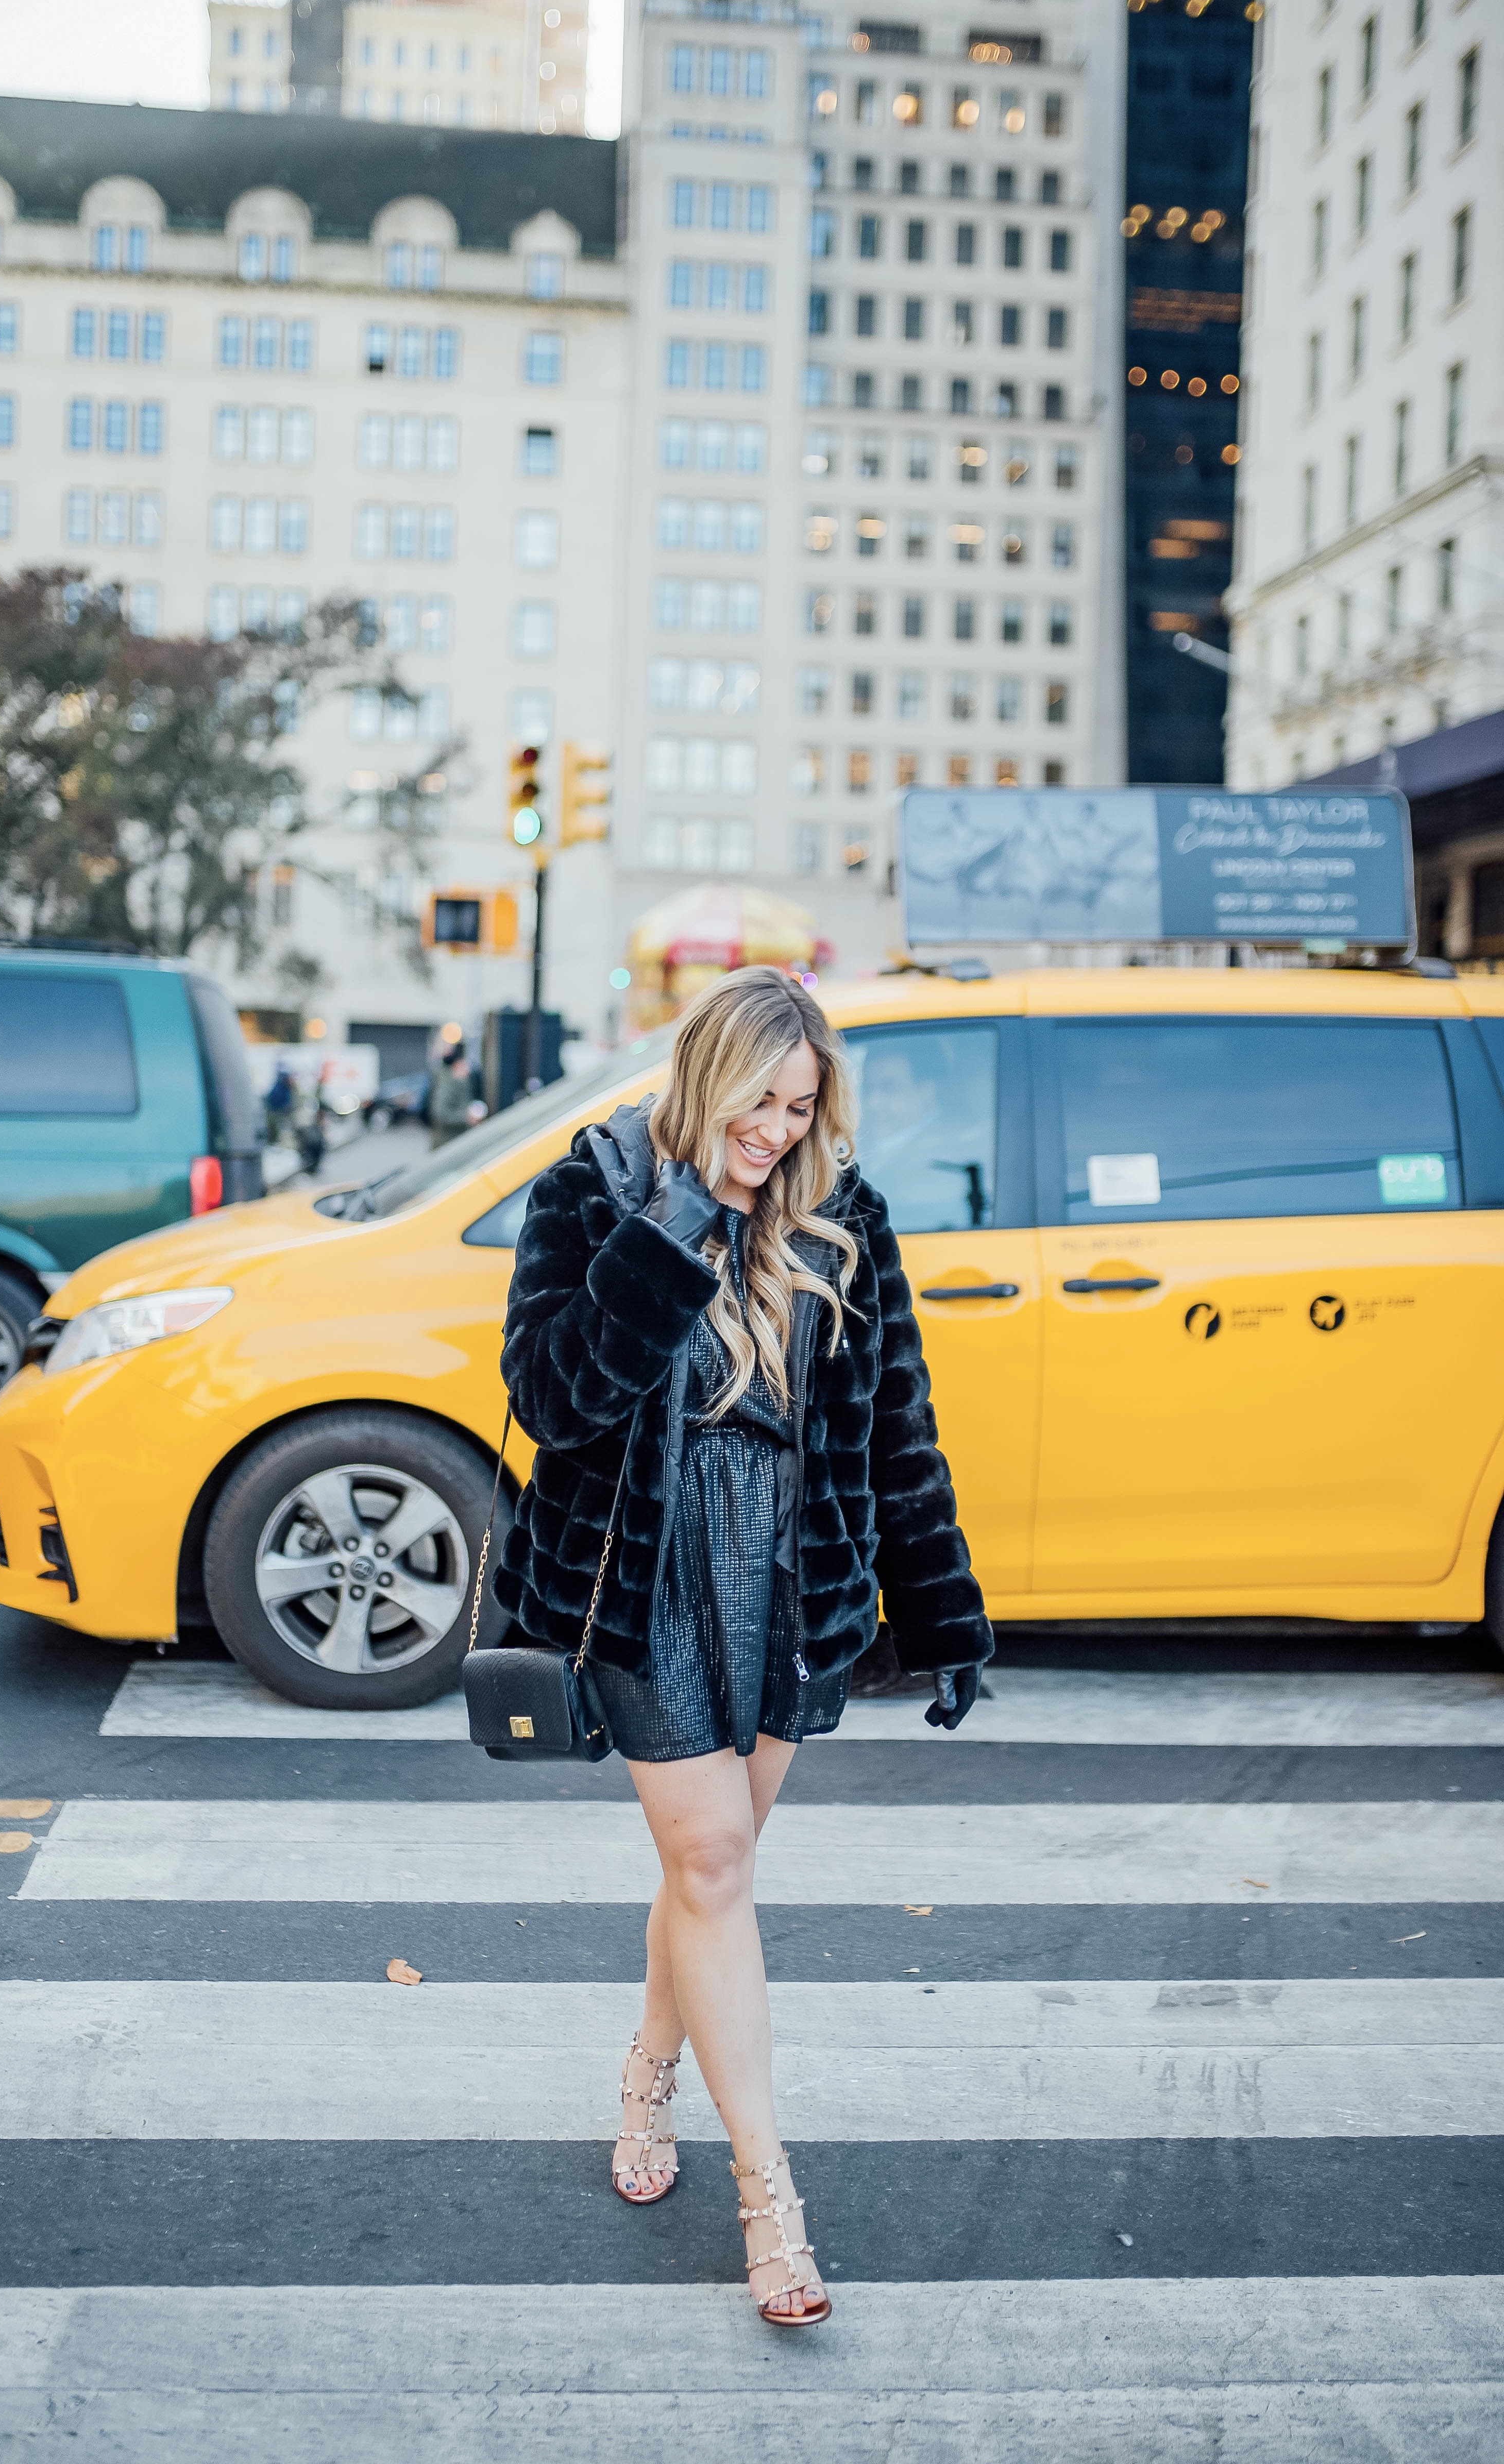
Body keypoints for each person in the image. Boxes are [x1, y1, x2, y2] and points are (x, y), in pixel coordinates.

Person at [494, 966, 990, 2328]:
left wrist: (941, 1611)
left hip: (789, 1577)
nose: (776, 1133)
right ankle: (772, 2208)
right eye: (761, 1103)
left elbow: (899, 1425)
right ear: (706, 1073)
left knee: (709, 1869)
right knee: (710, 1860)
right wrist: (672, 1226)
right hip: (642, 1576)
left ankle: (651, 2070)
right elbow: (552, 1399)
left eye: (800, 1109)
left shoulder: (846, 1216)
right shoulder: (593, 1191)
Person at [428, 1049, 474, 1149]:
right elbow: (441, 1112)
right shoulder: (450, 1084)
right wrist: (466, 1118)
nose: (468, 1067)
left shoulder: (458, 1082)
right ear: (458, 1065)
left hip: (452, 1140)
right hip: (447, 1142)